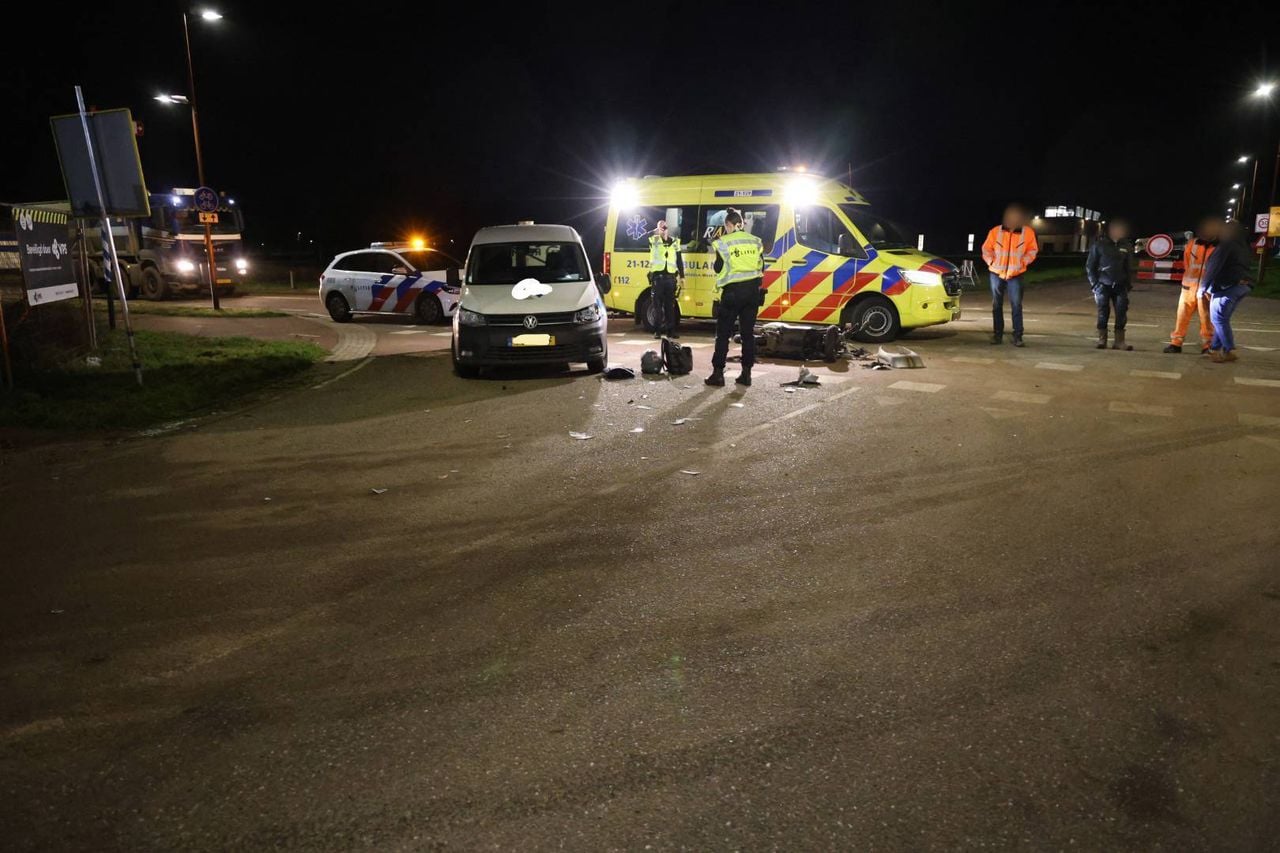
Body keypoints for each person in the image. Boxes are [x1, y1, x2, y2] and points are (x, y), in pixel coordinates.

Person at [706, 209, 764, 387]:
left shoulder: (723, 243)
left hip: (732, 294)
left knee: (723, 335)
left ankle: (718, 374)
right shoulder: (755, 241)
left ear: (729, 225)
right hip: (752, 293)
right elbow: (762, 266)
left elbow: (718, 267)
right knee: (747, 334)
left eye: (726, 227)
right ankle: (746, 374)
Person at [982, 204, 1039, 346]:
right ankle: (997, 335)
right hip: (996, 273)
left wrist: (1023, 263)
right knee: (996, 305)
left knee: (1016, 305)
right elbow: (986, 249)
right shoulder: (995, 232)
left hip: (1016, 274)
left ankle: (1018, 336)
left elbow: (1032, 251)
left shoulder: (1028, 233)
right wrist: (991, 261)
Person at [1200, 220, 1254, 363]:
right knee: (1221, 320)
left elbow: (1213, 267)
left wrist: (1203, 288)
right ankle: (1214, 349)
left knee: (1218, 319)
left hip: (1227, 287)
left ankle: (1229, 350)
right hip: (1243, 287)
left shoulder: (1226, 245)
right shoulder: (1244, 246)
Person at [1163, 217, 1220, 354]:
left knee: (1206, 319)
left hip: (1206, 289)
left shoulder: (1219, 247)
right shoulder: (1192, 244)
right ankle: (1176, 343)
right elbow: (1186, 263)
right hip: (1189, 287)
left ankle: (1207, 345)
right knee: (1182, 316)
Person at [1085, 219, 1134, 350]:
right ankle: (1102, 340)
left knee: (1121, 313)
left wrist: (1128, 284)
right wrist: (1095, 284)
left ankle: (1119, 342)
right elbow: (1090, 266)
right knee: (1103, 313)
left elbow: (1129, 267)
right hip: (1103, 285)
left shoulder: (1127, 246)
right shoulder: (1099, 245)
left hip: (1120, 286)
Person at [647, 220, 684, 338]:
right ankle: (657, 331)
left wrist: (682, 276)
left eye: (665, 227)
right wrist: (655, 231)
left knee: (670, 307)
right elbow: (641, 238)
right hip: (658, 278)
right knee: (657, 306)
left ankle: (671, 331)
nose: (663, 229)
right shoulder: (654, 240)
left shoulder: (675, 242)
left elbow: (679, 260)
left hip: (670, 279)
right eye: (661, 228)